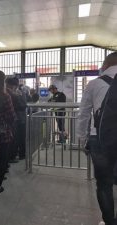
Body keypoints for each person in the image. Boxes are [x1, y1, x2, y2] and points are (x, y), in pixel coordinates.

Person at [77, 52, 117, 225]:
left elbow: (84, 114)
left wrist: (81, 139)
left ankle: (108, 221)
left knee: (104, 184)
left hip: (99, 139)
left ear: (106, 64)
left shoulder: (94, 84)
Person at [6, 77, 27, 161]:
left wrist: (16, 96)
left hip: (17, 118)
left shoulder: (17, 93)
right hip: (19, 118)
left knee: (18, 137)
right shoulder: (19, 93)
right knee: (17, 137)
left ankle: (18, 154)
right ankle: (18, 154)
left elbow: (23, 105)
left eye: (8, 85)